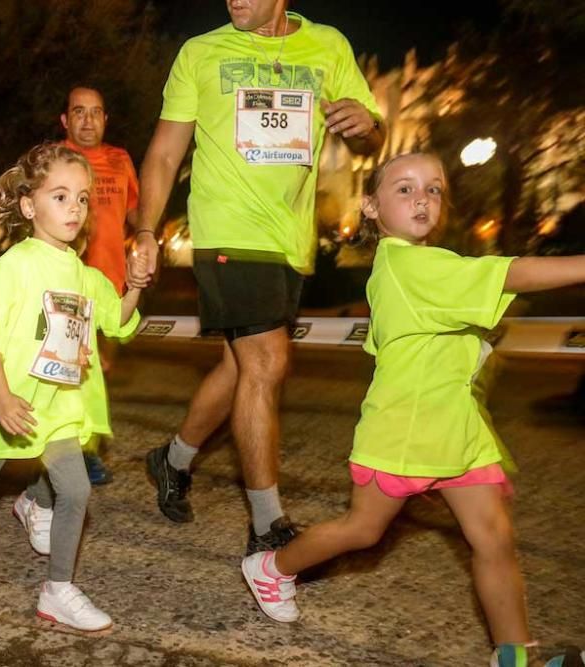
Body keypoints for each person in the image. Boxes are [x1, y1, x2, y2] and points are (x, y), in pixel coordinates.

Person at [243, 152, 585, 667]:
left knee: (494, 538)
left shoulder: (416, 267)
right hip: (405, 431)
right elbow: (511, 273)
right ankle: (271, 567)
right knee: (363, 530)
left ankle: (517, 659)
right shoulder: (409, 264)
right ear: (372, 207)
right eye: (404, 189)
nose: (421, 198)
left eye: (434, 189)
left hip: (457, 428)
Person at [134, 1, 384, 562]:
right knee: (267, 362)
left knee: (239, 365)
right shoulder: (200, 53)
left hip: (289, 240)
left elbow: (370, 136)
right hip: (226, 231)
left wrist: (370, 126)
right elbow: (165, 152)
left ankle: (172, 459)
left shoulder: (328, 46)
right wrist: (146, 229)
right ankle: (268, 525)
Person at [0, 143, 148, 631]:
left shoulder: (83, 274)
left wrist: (138, 284)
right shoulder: (15, 266)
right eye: (60, 197)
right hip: (13, 402)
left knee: (76, 491)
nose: (74, 209)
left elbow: (116, 320)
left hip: (59, 404)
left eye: (81, 199)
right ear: (29, 205)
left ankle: (57, 590)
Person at [60, 85, 140, 485]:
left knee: (98, 369)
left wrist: (146, 239)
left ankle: (80, 446)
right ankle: (76, 452)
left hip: (110, 285)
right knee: (69, 368)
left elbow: (134, 212)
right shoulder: (53, 160)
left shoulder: (120, 159)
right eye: (79, 112)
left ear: (106, 119)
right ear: (65, 120)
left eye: (96, 112)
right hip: (66, 283)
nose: (88, 120)